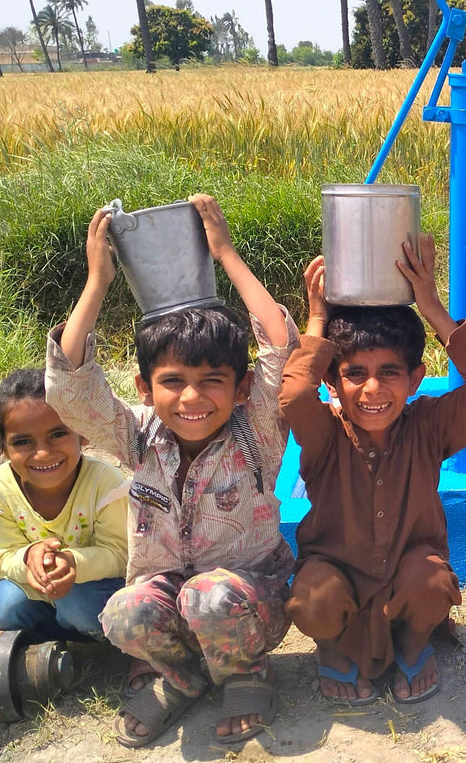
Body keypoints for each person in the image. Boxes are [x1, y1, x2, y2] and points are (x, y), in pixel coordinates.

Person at [45, 195, 299, 746]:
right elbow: (71, 393)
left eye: (212, 381)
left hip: (246, 603)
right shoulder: (138, 436)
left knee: (207, 596)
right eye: (173, 381)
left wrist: (226, 254)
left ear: (241, 388)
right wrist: (98, 282)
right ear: (144, 388)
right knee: (123, 612)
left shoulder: (256, 431)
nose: (192, 398)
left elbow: (282, 350)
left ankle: (244, 674)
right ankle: (182, 677)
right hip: (170, 603)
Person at [281, 234, 466, 705]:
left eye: (389, 372)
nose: (373, 389)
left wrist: (432, 307)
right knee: (311, 593)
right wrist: (318, 318)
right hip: (338, 578)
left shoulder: (427, 426)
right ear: (332, 382)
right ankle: (334, 650)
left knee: (431, 581)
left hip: (409, 580)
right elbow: (294, 396)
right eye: (355, 374)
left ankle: (413, 646)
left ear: (415, 379)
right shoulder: (324, 433)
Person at [0, 368, 127, 642]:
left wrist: (72, 562)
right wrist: (29, 557)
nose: (43, 453)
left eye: (58, 434)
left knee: (78, 604)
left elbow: (119, 555)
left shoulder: (105, 483)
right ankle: (46, 640)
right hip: (37, 593)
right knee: (2, 605)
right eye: (22, 442)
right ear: (4, 448)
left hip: (93, 593)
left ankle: (99, 639)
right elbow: (2, 557)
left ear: (83, 432)